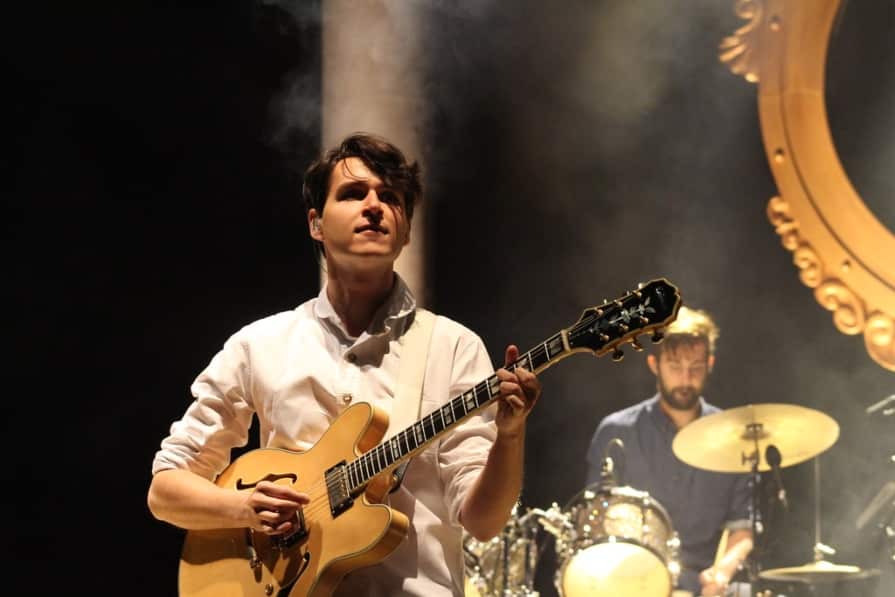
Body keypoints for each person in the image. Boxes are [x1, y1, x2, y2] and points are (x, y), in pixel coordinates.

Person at [147, 132, 542, 596]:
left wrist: (511, 436)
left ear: (407, 229)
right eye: (354, 194)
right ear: (316, 224)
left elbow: (484, 521)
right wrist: (244, 508)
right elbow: (166, 491)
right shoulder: (260, 345)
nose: (374, 206)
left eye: (390, 198)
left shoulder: (452, 346)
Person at [585, 306, 753, 597]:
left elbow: (744, 526)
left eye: (696, 367)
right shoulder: (617, 431)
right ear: (655, 363)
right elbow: (595, 521)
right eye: (675, 366)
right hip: (631, 581)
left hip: (704, 584)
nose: (686, 379)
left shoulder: (732, 437)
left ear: (710, 363)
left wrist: (722, 573)